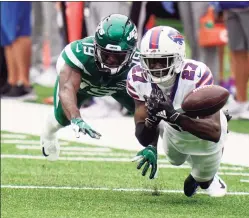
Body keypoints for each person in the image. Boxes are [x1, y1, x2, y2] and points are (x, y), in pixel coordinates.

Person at [127, 26, 229, 197]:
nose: (157, 67)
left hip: (203, 130)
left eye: (163, 60)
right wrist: (152, 139)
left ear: (178, 59)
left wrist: (174, 116)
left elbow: (214, 132)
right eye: (152, 61)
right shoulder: (137, 78)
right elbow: (142, 134)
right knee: (175, 160)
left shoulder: (196, 75)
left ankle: (204, 177)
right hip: (173, 130)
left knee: (203, 182)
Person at [40, 14, 140, 161]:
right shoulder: (79, 53)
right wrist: (76, 118)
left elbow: (149, 105)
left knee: (148, 117)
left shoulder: (139, 64)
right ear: (95, 46)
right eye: (106, 54)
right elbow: (66, 88)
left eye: (118, 56)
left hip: (119, 87)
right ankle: (48, 135)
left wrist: (152, 144)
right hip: (83, 86)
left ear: (131, 53)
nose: (111, 60)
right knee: (61, 119)